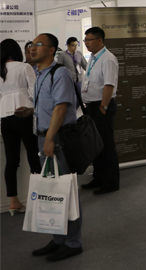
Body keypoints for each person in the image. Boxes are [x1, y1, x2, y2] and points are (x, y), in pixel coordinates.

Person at [29, 33, 83, 261]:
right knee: (52, 192)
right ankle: (59, 239)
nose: (32, 48)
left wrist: (50, 139)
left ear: (51, 50)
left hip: (57, 139)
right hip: (44, 138)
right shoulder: (40, 74)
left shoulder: (59, 73)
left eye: (38, 44)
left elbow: (61, 108)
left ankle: (73, 242)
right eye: (32, 45)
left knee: (66, 191)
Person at [0, 39, 42, 215]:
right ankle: (38, 198)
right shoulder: (25, 67)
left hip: (5, 117)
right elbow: (34, 92)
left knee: (11, 161)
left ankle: (13, 202)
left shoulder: (1, 69)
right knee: (34, 157)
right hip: (25, 113)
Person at [80, 27, 120, 194]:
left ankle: (111, 182)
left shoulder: (108, 59)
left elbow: (109, 85)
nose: (86, 43)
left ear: (99, 40)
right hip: (91, 107)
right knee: (95, 145)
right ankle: (98, 178)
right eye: (85, 40)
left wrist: (103, 106)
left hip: (101, 107)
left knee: (106, 145)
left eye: (89, 40)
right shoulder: (93, 57)